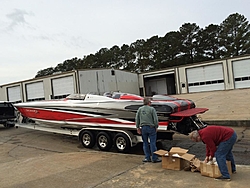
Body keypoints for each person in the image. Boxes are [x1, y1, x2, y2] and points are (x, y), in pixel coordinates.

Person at [135, 97, 161, 163]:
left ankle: (147, 157)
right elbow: (155, 119)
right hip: (151, 127)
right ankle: (154, 158)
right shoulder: (152, 109)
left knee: (145, 143)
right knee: (152, 143)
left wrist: (137, 127)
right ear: (149, 103)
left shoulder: (140, 109)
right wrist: (156, 126)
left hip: (143, 128)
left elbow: (137, 119)